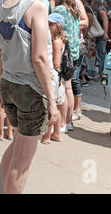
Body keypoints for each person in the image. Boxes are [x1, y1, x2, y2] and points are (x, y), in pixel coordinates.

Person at [0, 0, 59, 194]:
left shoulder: (2, 4)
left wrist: (1, 81)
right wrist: (52, 100)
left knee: (17, 146)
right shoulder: (37, 6)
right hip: (30, 89)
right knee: (23, 162)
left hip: (10, 83)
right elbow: (40, 57)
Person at [53, 0, 82, 133]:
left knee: (63, 89)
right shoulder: (74, 10)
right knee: (69, 88)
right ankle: (69, 121)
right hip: (74, 53)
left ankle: (63, 122)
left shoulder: (59, 10)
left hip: (63, 52)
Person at [62, 0, 89, 123]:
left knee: (73, 79)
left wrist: (70, 26)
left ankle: (76, 109)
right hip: (61, 46)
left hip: (76, 46)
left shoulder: (77, 3)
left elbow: (85, 21)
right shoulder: (58, 3)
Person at [41, 13, 68, 144]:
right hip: (57, 77)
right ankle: (56, 134)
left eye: (51, 24)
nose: (48, 25)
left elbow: (56, 63)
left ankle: (47, 135)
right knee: (56, 104)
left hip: (53, 76)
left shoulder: (56, 42)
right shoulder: (58, 39)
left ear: (57, 26)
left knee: (51, 106)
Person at [90, 0, 109, 76]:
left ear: (94, 3)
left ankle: (103, 76)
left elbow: (105, 21)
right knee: (100, 56)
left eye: (91, 2)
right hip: (99, 36)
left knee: (102, 57)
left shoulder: (100, 10)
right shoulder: (98, 10)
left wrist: (105, 34)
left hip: (101, 37)